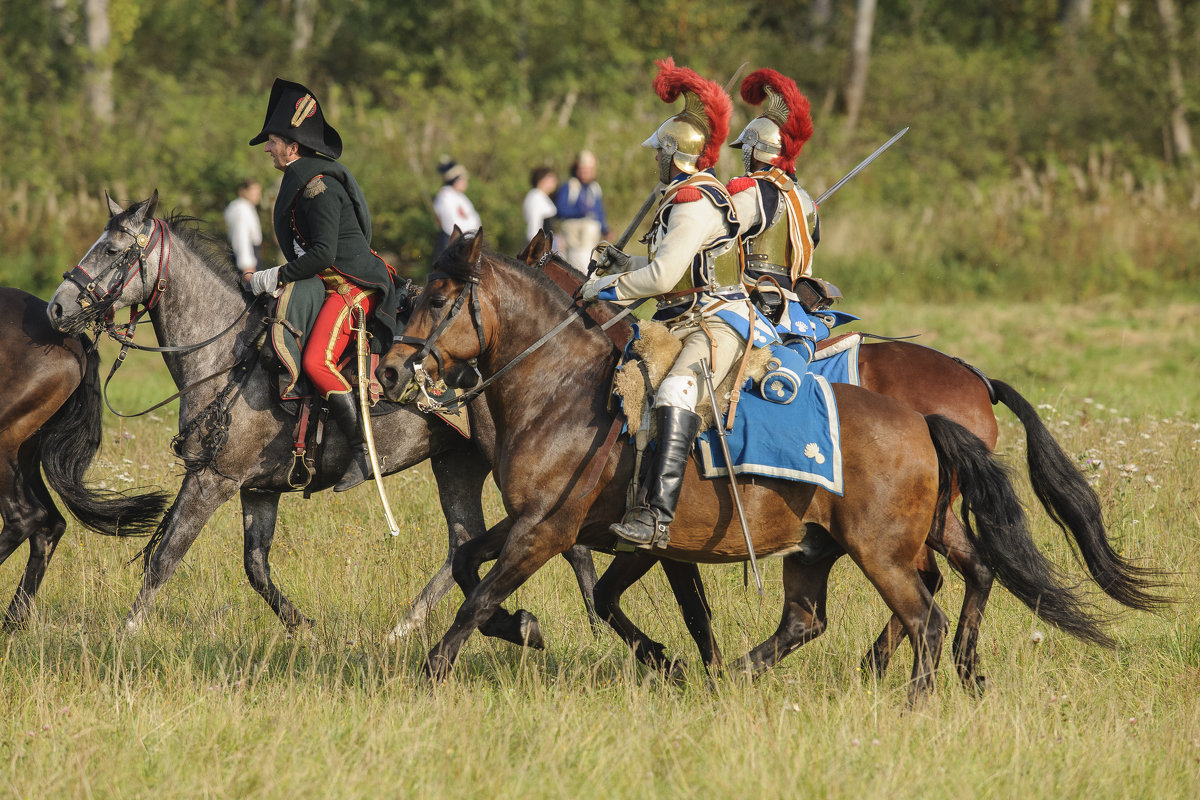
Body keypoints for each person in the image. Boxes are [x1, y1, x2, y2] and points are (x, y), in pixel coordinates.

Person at [580, 58, 777, 548]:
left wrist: (603, 290)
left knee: (673, 395)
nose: (655, 161)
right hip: (685, 317)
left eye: (659, 153)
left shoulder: (693, 201)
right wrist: (623, 263)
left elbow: (666, 276)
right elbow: (672, 269)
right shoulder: (684, 196)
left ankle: (657, 517)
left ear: (674, 155)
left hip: (715, 322)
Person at [244, 78, 400, 492]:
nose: (267, 148)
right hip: (331, 285)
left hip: (354, 286)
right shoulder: (303, 179)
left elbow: (323, 257)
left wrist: (267, 277)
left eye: (273, 141)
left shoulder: (319, 188)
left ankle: (363, 451)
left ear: (293, 147)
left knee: (316, 362)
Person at [727, 68, 849, 356]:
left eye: (746, 147)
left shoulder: (750, 191)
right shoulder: (804, 199)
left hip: (751, 297)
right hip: (794, 302)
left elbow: (716, 236)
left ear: (756, 148)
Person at [555, 150, 609, 272]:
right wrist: (580, 212)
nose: (586, 173)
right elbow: (561, 210)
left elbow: (600, 212)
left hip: (590, 240)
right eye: (583, 169)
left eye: (589, 170)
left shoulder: (594, 188)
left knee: (590, 266)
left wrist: (605, 229)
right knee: (578, 267)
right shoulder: (569, 186)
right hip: (574, 238)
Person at [433, 159, 481, 257]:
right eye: (462, 179)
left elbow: (475, 220)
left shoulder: (461, 197)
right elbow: (450, 225)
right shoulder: (444, 196)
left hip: (466, 244)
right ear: (455, 180)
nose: (465, 182)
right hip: (452, 245)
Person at [223, 178, 263, 280]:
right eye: (253, 192)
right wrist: (246, 264)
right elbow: (241, 237)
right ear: (243, 192)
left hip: (251, 254)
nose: (257, 196)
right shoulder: (241, 209)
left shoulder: (246, 207)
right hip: (247, 258)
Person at [523, 166, 558, 244]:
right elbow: (534, 224)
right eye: (551, 179)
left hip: (547, 242)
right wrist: (536, 246)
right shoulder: (535, 197)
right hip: (541, 243)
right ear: (541, 180)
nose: (555, 182)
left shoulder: (542, 196)